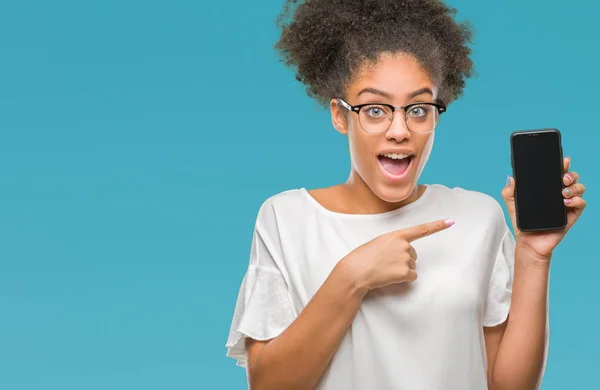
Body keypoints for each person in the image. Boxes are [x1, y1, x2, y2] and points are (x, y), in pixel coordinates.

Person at [224, 1, 587, 389]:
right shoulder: (286, 218)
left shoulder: (478, 217)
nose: (400, 130)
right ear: (339, 115)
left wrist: (532, 255)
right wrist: (352, 277)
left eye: (418, 109)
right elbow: (267, 385)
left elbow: (510, 386)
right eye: (376, 109)